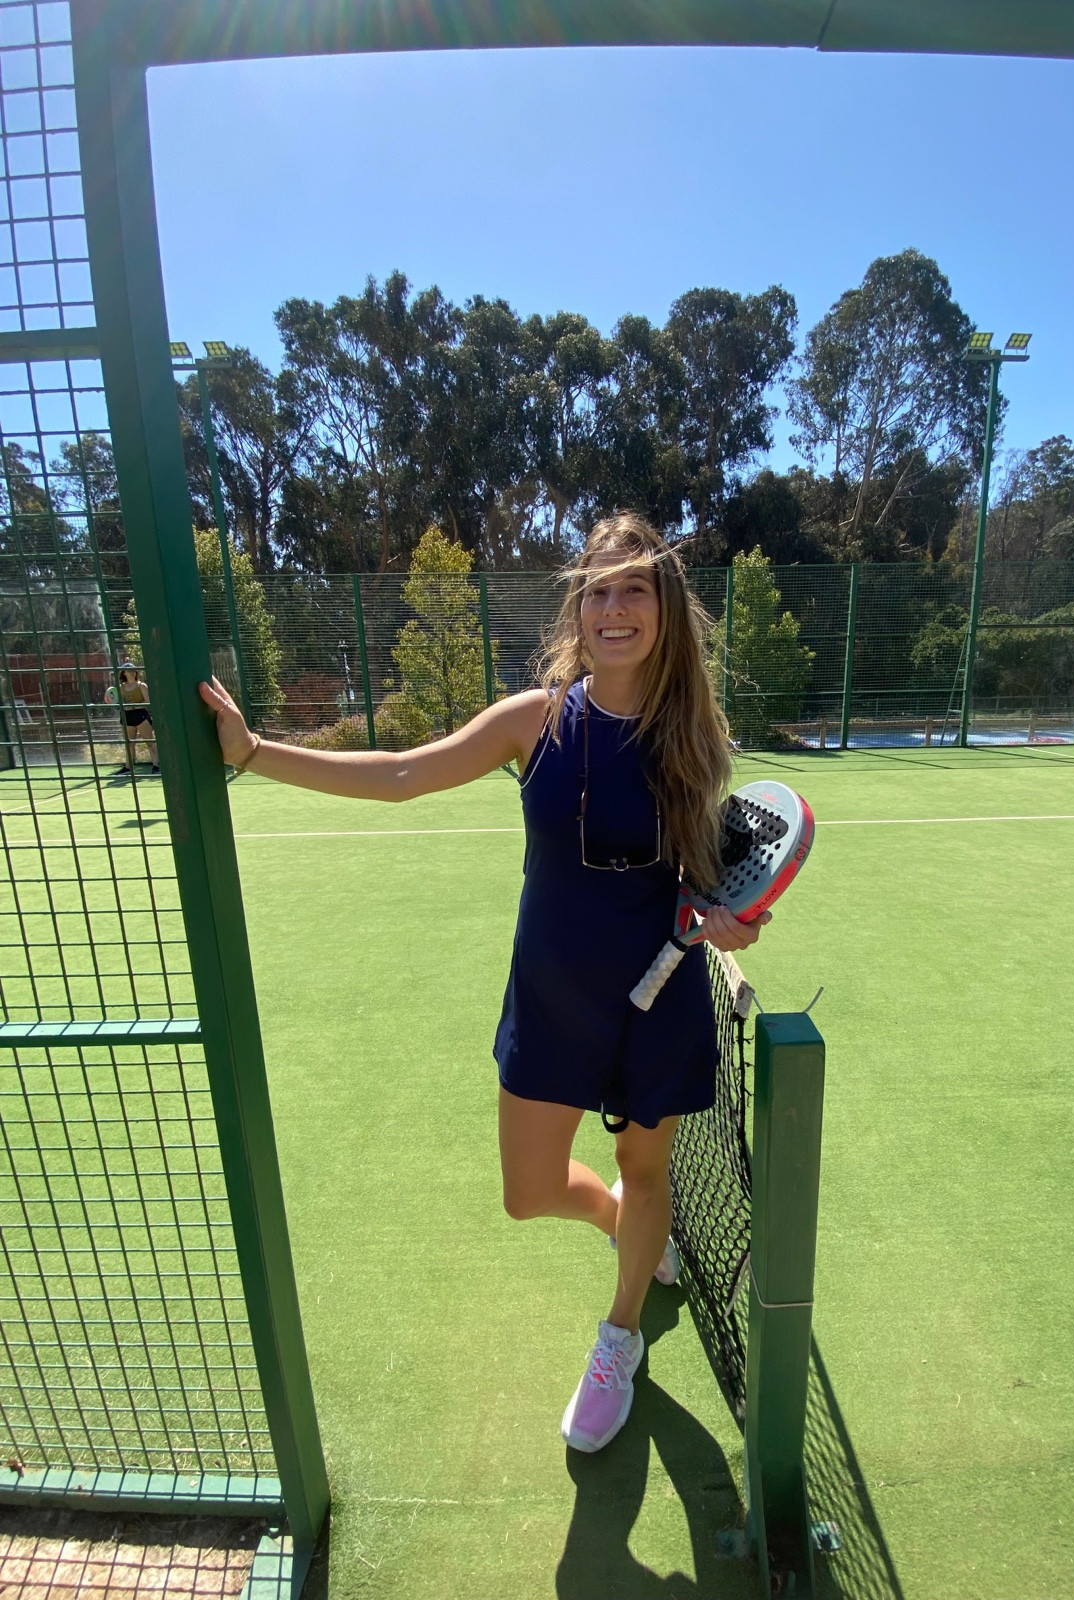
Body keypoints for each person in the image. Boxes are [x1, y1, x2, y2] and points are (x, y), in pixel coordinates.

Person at [199, 513, 770, 1454]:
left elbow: (704, 879)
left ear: (665, 607)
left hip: (658, 999)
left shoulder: (693, 737)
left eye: (634, 588)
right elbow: (401, 773)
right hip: (552, 1003)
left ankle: (621, 1333)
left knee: (647, 1170)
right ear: (578, 609)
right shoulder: (533, 721)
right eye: (598, 589)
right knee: (529, 1190)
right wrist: (256, 753)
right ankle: (617, 1222)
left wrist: (727, 919)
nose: (614, 607)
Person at [106, 662, 158, 775]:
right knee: (129, 744)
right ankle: (128, 768)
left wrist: (133, 706)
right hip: (127, 717)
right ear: (124, 673)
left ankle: (156, 766)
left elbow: (148, 702)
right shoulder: (120, 688)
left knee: (150, 743)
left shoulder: (141, 685)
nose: (132, 672)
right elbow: (115, 701)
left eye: (134, 670)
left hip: (141, 716)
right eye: (129, 671)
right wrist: (114, 703)